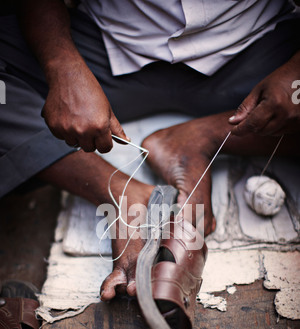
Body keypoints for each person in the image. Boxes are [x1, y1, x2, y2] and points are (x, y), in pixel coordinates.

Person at [0, 0, 300, 302]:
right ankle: (124, 192)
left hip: (256, 53)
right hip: (102, 49)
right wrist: (62, 67)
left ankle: (201, 136)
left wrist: (295, 73)